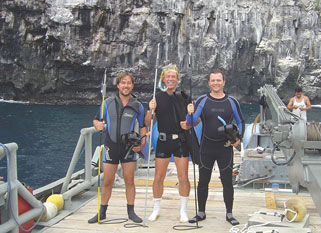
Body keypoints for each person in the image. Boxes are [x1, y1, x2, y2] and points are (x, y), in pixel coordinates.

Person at [186, 68, 245, 226]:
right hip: (206, 147)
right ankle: (201, 212)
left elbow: (241, 121)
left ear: (224, 82)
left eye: (219, 80)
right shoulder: (202, 100)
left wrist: (238, 138)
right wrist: (189, 112)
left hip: (225, 147)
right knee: (203, 181)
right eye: (213, 80)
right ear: (208, 83)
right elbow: (191, 121)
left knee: (227, 181)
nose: (216, 83)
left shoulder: (232, 101)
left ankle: (229, 213)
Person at [88, 72, 147, 224]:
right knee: (107, 181)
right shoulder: (107, 103)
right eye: (123, 83)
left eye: (129, 83)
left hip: (129, 148)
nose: (126, 86)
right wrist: (97, 125)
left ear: (132, 86)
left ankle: (131, 212)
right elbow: (96, 119)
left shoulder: (138, 105)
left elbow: (143, 126)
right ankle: (102, 212)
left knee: (129, 180)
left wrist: (142, 142)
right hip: (110, 146)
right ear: (118, 85)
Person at [145, 64, 192, 222]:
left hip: (180, 141)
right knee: (158, 177)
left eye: (173, 77)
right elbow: (147, 121)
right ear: (163, 79)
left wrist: (190, 119)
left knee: (183, 176)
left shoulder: (185, 97)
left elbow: (194, 121)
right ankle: (156, 209)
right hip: (163, 141)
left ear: (177, 80)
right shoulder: (156, 97)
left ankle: (183, 211)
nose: (170, 79)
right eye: (168, 77)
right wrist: (151, 110)